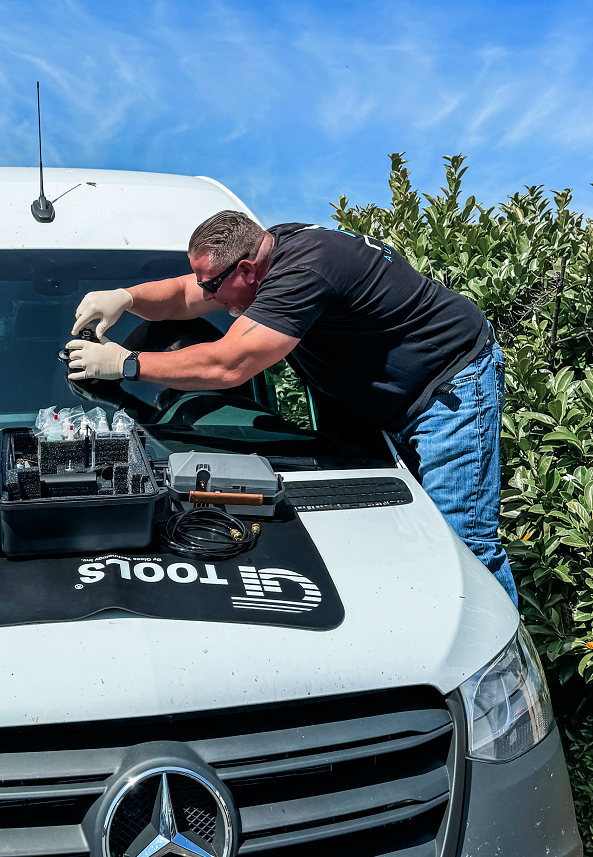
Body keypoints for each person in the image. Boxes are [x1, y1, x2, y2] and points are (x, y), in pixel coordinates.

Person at [67, 209, 517, 605]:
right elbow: (187, 294)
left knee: (462, 542)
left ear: (247, 270)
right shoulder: (268, 250)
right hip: (386, 406)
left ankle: (495, 656)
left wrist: (127, 364)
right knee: (417, 539)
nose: (211, 298)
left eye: (214, 287)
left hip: (447, 388)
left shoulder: (305, 272)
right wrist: (127, 297)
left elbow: (229, 365)